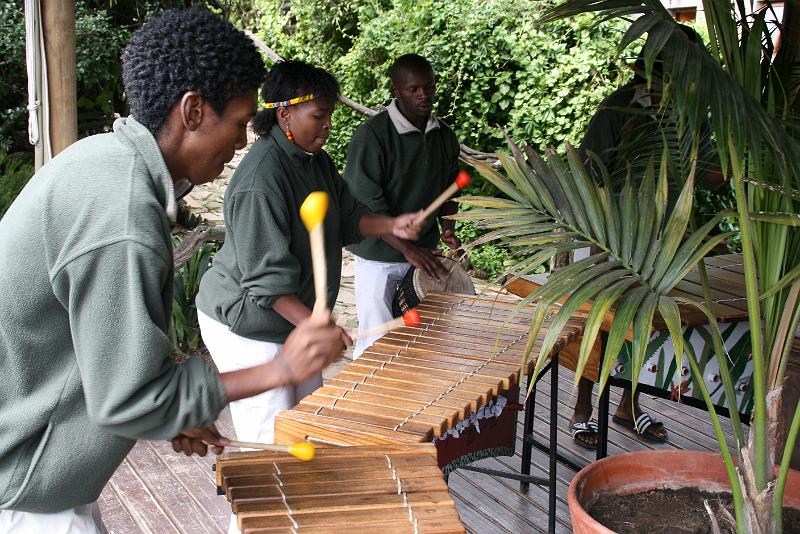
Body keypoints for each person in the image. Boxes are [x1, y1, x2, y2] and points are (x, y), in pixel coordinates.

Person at [0, 10, 347, 533]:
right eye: (235, 125)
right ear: (193, 111)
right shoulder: (122, 213)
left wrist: (175, 413)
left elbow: (105, 347)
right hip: (26, 484)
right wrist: (279, 370)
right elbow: (126, 400)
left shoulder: (108, 162)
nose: (238, 145)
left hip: (34, 469)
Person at [195, 60, 422, 450]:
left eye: (329, 115)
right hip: (246, 323)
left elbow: (348, 215)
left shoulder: (315, 160)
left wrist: (392, 225)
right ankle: (256, 510)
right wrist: (318, 326)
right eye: (319, 115)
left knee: (305, 426)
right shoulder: (260, 181)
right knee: (269, 440)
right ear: (284, 112)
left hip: (288, 317)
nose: (327, 125)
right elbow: (266, 284)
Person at [569, 25, 719, 449]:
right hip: (607, 237)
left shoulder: (692, 116)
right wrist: (599, 242)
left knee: (644, 323)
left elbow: (711, 176)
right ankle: (582, 408)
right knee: (599, 324)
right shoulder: (619, 107)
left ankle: (628, 406)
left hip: (659, 243)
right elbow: (589, 171)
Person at [344, 54, 462, 357]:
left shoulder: (444, 137)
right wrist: (407, 249)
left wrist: (448, 228)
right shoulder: (373, 136)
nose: (424, 95)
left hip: (423, 252)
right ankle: (368, 400)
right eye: (414, 89)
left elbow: (450, 190)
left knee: (422, 341)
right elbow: (366, 205)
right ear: (396, 90)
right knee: (378, 341)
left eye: (429, 86)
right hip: (378, 255)